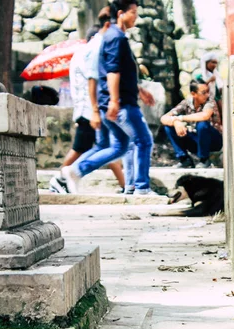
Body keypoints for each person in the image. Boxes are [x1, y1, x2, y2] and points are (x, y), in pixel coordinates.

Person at [61, 0, 156, 195]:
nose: (136, 16)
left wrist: (139, 90)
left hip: (115, 101)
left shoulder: (115, 36)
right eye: (133, 12)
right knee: (144, 140)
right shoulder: (116, 37)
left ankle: (76, 170)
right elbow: (112, 72)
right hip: (121, 104)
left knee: (119, 146)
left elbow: (119, 72)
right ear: (121, 13)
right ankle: (141, 187)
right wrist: (114, 100)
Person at [50, 9, 125, 194]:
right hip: (90, 109)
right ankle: (58, 179)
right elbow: (94, 79)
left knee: (105, 148)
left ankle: (125, 185)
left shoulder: (80, 54)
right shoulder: (91, 52)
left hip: (86, 108)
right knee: (87, 148)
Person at [160, 79, 223, 168]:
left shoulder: (210, 102)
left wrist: (180, 118)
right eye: (203, 92)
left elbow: (204, 116)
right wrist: (176, 122)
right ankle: (184, 159)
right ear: (193, 94)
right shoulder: (186, 103)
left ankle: (204, 159)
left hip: (214, 141)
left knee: (202, 124)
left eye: (208, 91)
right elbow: (163, 118)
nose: (207, 95)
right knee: (168, 127)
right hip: (196, 140)